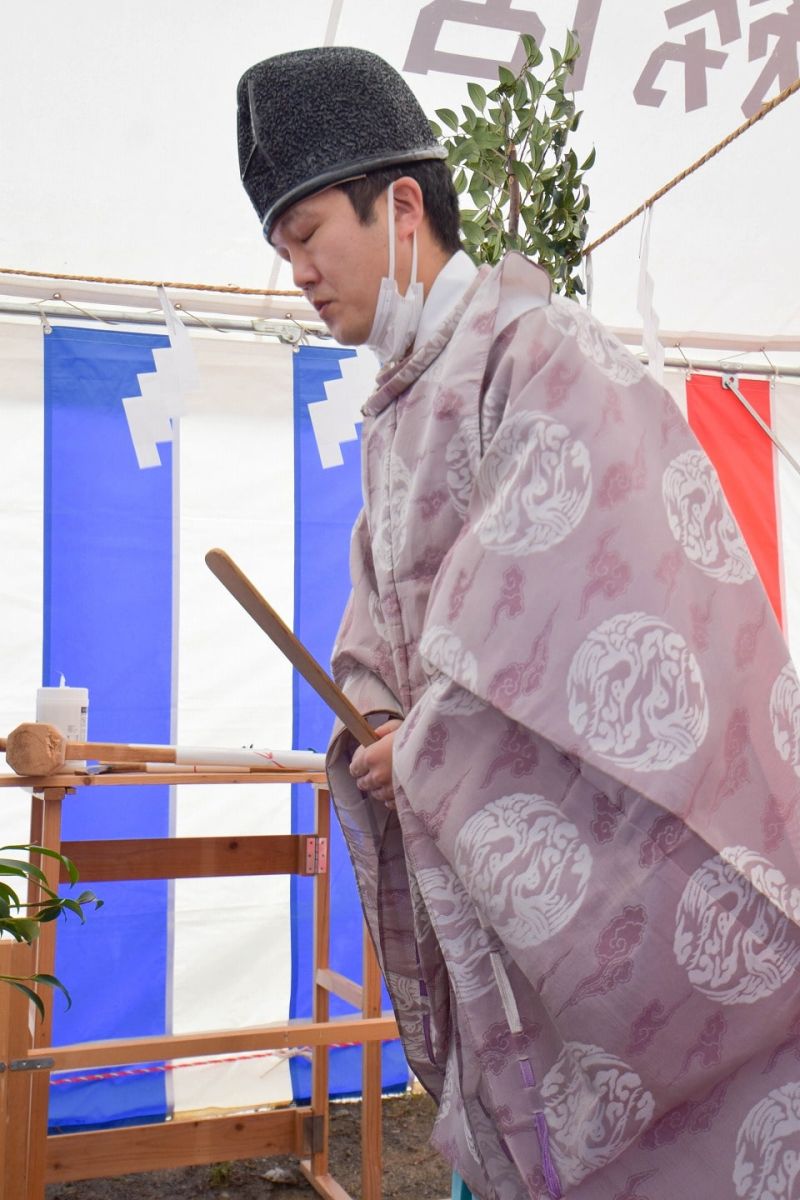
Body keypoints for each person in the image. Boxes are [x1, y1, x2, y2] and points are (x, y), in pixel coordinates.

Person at [237, 46, 800, 1200]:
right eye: (279, 249)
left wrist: (434, 739)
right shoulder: (396, 413)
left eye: (305, 235)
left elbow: (603, 603)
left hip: (599, 851)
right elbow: (378, 623)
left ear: (399, 206)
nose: (294, 271)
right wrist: (387, 714)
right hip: (488, 862)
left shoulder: (539, 353)